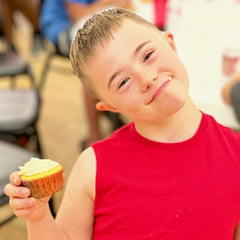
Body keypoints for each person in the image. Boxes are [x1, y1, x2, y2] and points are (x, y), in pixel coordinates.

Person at [4, 8, 240, 239]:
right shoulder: (93, 167)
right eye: (123, 82)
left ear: (170, 44)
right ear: (111, 107)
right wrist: (38, 217)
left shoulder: (236, 154)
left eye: (147, 56)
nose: (147, 79)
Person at [40, 0, 129, 149]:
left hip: (94, 23)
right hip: (64, 29)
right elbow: (78, 15)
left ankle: (120, 117)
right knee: (97, 59)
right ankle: (93, 137)